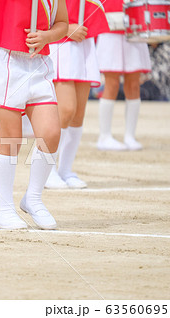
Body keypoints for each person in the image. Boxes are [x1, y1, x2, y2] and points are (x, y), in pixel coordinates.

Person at [0, 0, 68, 229]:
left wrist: (47, 37)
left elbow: (62, 24)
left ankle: (33, 198)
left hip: (39, 64)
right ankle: (3, 209)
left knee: (51, 133)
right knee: (10, 140)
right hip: (4, 61)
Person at [45, 0, 109, 189]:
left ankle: (65, 169)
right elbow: (38, 10)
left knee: (77, 115)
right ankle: (47, 170)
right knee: (66, 110)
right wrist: (65, 29)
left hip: (83, 40)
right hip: (60, 43)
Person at [95, 0, 151, 151]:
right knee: (111, 84)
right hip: (111, 24)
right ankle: (104, 136)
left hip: (135, 23)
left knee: (134, 84)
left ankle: (130, 136)